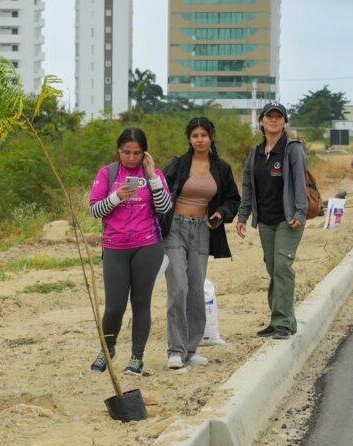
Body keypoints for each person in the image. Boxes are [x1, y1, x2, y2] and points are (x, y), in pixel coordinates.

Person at [87, 128, 172, 377]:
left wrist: (152, 176)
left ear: (144, 153)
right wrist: (116, 197)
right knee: (114, 306)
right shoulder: (108, 173)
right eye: (126, 152)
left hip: (147, 245)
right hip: (115, 246)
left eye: (137, 153)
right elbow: (94, 211)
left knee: (141, 303)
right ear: (119, 151)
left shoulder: (153, 175)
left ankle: (137, 357)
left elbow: (165, 207)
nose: (131, 158)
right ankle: (107, 348)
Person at [161, 117, 240, 370]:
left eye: (204, 135)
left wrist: (221, 214)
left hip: (203, 230)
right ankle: (175, 350)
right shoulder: (178, 164)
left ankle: (190, 350)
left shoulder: (222, 168)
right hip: (175, 229)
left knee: (195, 291)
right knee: (178, 288)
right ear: (189, 139)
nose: (200, 140)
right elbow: (159, 189)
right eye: (195, 135)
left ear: (212, 137)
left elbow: (232, 199)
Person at [236, 101, 309, 340]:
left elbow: (300, 183)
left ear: (285, 122)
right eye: (269, 117)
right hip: (265, 220)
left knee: (282, 267)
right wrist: (244, 215)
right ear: (261, 122)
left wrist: (300, 213)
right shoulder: (255, 153)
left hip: (288, 220)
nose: (274, 120)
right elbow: (248, 185)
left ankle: (282, 322)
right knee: (273, 268)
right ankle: (282, 319)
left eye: (279, 117)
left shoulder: (292, 149)